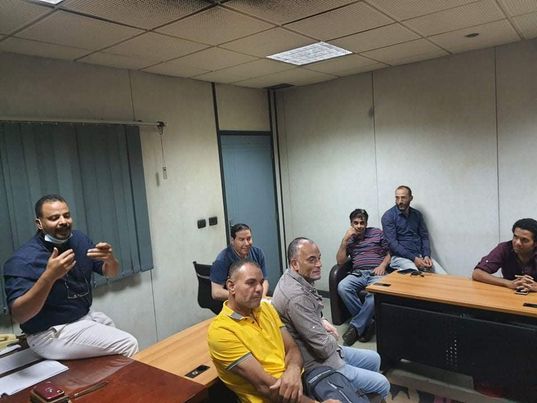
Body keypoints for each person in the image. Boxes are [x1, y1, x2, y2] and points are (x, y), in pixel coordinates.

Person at [3, 194, 138, 360]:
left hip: (83, 317)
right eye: (54, 218)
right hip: (48, 333)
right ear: (39, 223)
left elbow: (110, 272)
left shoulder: (79, 239)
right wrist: (49, 277)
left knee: (111, 330)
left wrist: (110, 260)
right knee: (128, 343)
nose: (63, 221)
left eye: (66, 215)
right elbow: (19, 315)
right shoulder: (23, 260)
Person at [272, 238, 390, 400]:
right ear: (295, 264)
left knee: (375, 359)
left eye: (319, 258)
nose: (319, 264)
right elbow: (323, 348)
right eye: (312, 260)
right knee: (382, 383)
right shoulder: (296, 298)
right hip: (317, 363)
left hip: (324, 349)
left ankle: (357, 395)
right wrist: (332, 337)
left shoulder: (293, 277)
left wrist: (322, 321)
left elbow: (312, 312)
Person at [208, 259, 334, 403]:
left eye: (261, 283)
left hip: (300, 384)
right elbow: (267, 388)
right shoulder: (221, 331)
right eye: (251, 283)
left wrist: (293, 370)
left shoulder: (266, 308)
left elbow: (292, 348)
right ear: (231, 286)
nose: (259, 289)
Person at [336, 209, 390, 346]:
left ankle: (356, 327)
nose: (359, 226)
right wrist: (344, 241)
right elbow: (340, 262)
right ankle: (368, 323)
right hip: (358, 273)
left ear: (366, 223)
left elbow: (390, 253)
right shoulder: (349, 239)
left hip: (376, 273)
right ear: (351, 224)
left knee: (375, 292)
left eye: (362, 223)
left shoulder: (377, 233)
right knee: (342, 287)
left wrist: (383, 266)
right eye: (356, 223)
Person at [381, 185, 446, 274]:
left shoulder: (417, 215)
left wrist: (426, 255)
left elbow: (424, 237)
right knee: (416, 276)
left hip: (420, 255)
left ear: (411, 198)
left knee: (444, 275)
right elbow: (393, 244)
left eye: (403, 198)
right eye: (397, 198)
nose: (400, 201)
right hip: (400, 258)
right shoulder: (388, 216)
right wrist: (414, 259)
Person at [473, 218, 537, 292]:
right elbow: (477, 273)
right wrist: (508, 283)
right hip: (509, 294)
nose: (517, 243)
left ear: (535, 243)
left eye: (524, 240)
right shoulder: (505, 248)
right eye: (515, 237)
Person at [210, 223, 269, 301]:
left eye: (249, 239)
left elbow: (264, 281)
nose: (246, 243)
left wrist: (262, 297)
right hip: (236, 300)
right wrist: (244, 297)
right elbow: (216, 292)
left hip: (255, 295)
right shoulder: (222, 260)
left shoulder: (258, 253)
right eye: (241, 240)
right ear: (232, 240)